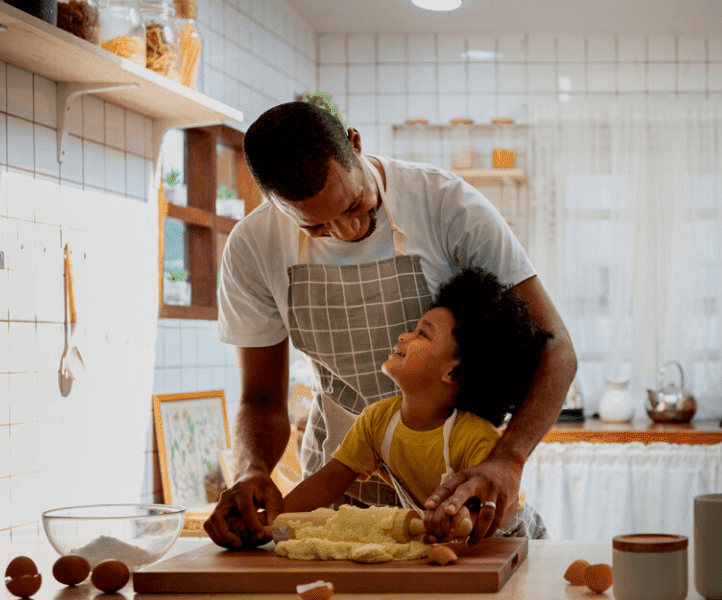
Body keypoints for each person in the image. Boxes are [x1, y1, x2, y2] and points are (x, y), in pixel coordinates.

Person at [205, 99, 577, 549]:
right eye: (317, 228)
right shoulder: (252, 247)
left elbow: (556, 347)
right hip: (337, 506)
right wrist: (253, 473)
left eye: (355, 204)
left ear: (355, 143)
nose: (347, 230)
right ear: (275, 205)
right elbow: (262, 399)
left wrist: (507, 459)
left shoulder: (445, 205)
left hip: (452, 501)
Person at [276, 267, 553, 542]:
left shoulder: (475, 439)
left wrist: (459, 517)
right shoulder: (377, 421)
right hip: (458, 547)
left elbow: (479, 515)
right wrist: (271, 520)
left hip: (514, 540)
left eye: (423, 334)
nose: (404, 336)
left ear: (453, 372)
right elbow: (328, 481)